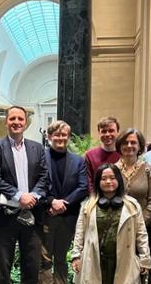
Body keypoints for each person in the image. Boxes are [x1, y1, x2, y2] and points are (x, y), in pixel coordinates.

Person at [0, 105, 49, 284]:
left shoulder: (37, 148)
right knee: (1, 267)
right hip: (5, 215)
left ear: (26, 123)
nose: (16, 122)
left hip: (33, 213)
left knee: (31, 264)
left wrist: (33, 196)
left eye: (20, 119)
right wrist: (18, 195)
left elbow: (44, 177)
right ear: (6, 122)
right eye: (12, 118)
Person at [71, 163, 151, 283]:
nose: (108, 182)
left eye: (112, 178)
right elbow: (80, 233)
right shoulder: (88, 206)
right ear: (98, 181)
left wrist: (145, 259)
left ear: (118, 179)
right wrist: (76, 256)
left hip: (124, 259)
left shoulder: (132, 205)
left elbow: (141, 234)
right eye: (103, 179)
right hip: (94, 259)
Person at [39, 120, 88, 284]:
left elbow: (83, 187)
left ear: (68, 137)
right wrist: (51, 202)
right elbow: (35, 184)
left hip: (68, 218)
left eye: (64, 134)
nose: (61, 138)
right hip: (46, 214)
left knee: (61, 259)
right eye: (57, 134)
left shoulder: (79, 160)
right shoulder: (39, 157)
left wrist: (63, 204)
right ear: (50, 136)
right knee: (44, 260)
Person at [113, 128, 151, 283]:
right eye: (125, 142)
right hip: (116, 229)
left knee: (142, 272)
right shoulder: (111, 170)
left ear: (140, 146)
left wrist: (139, 224)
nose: (129, 145)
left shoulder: (148, 170)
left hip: (144, 230)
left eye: (133, 142)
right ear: (119, 145)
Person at [84, 117, 121, 193]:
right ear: (99, 133)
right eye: (104, 131)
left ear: (118, 132)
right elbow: (88, 182)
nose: (107, 134)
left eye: (111, 131)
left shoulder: (124, 154)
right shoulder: (89, 155)